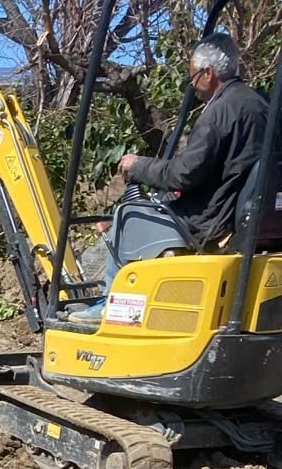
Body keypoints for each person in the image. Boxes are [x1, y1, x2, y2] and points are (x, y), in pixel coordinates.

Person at [76, 32, 267, 318]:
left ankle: (110, 304)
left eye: (192, 77)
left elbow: (183, 174)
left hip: (209, 220)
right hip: (241, 213)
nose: (193, 85)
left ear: (208, 74)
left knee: (128, 213)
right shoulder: (260, 105)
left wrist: (137, 165)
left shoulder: (219, 113)